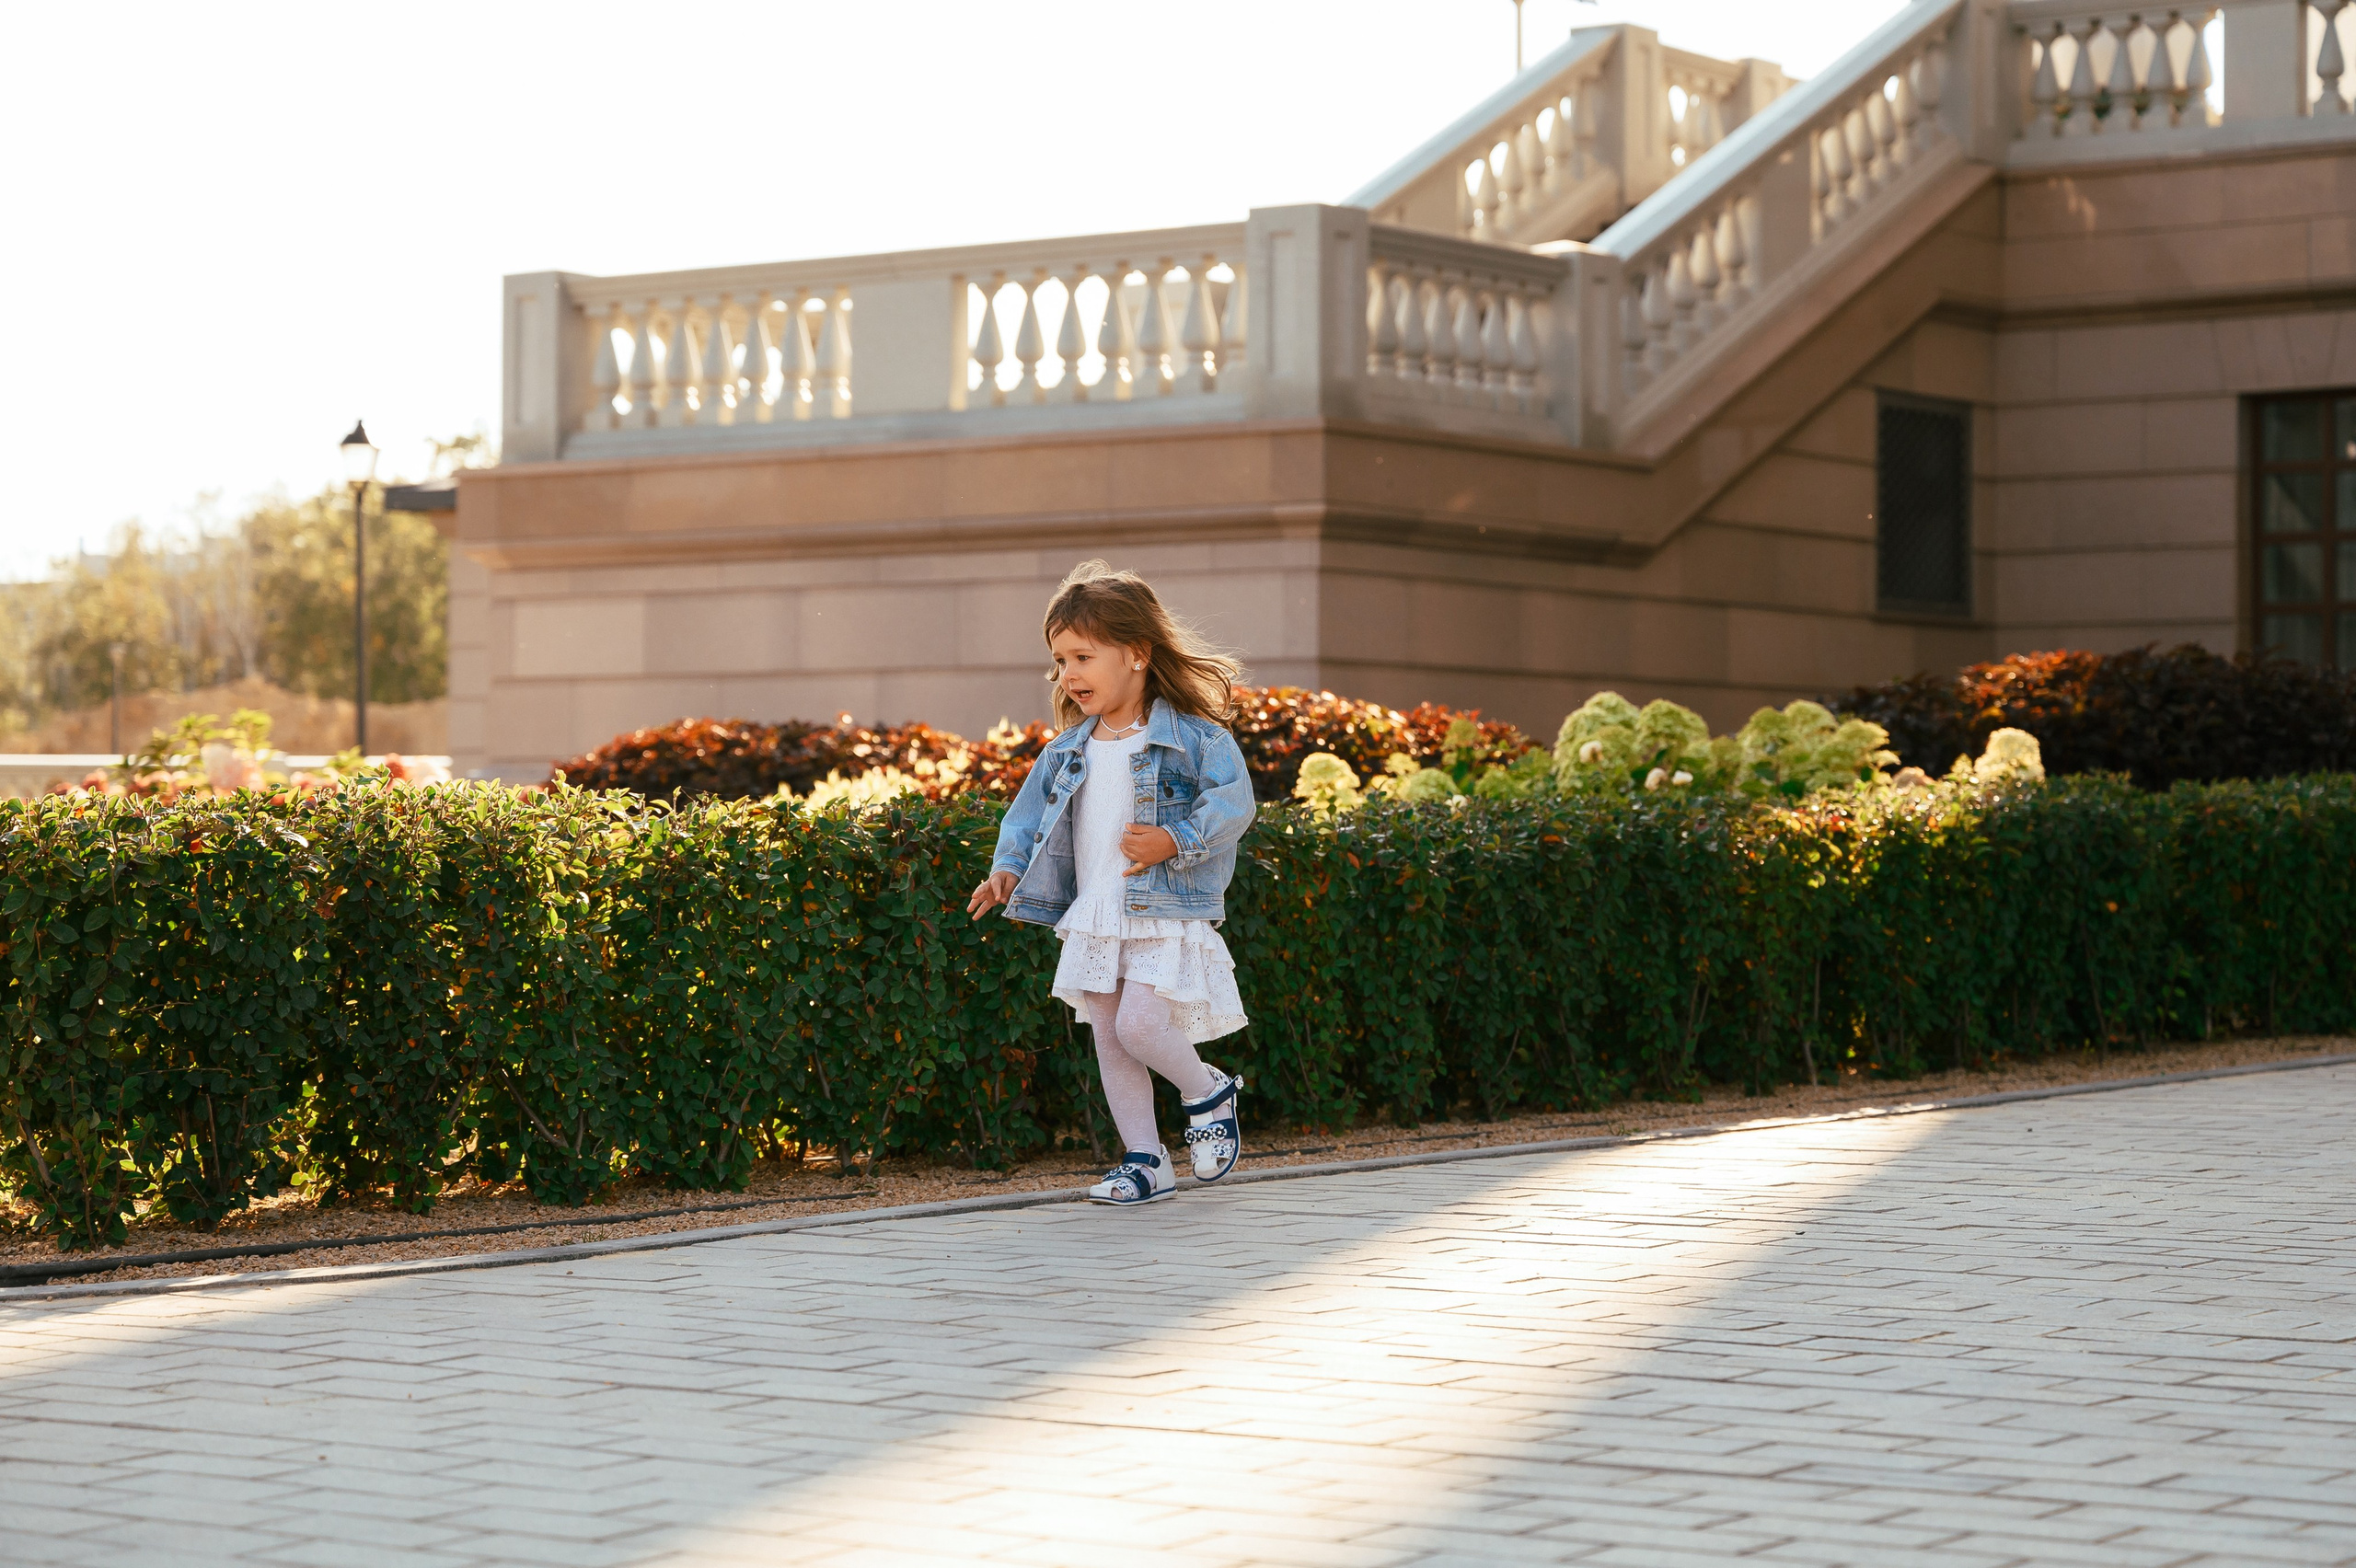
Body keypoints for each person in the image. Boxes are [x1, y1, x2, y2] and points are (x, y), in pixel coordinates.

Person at [968, 560, 1255, 1206]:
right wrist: (1007, 868)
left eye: (1082, 657)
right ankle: (1145, 1161)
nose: (1068, 675)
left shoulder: (1194, 738)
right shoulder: (1069, 748)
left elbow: (1235, 805)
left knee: (1142, 1028)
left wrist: (1175, 840)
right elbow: (1028, 816)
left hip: (1162, 906)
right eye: (1059, 661)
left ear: (1136, 654)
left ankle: (1208, 1090)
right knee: (1107, 1031)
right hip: (1097, 909)